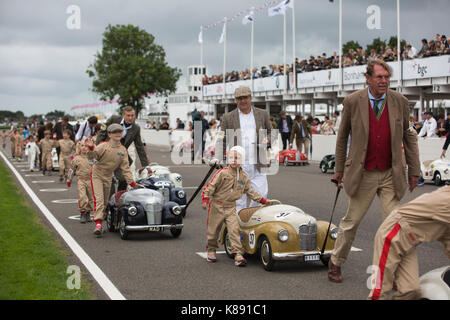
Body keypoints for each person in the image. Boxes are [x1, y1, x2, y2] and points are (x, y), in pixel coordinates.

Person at [328, 59, 420, 283]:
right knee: (352, 221)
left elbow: (409, 136)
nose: (384, 81)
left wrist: (414, 170)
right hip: (363, 173)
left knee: (394, 224)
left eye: (387, 77)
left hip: (391, 172)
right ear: (367, 78)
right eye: (379, 77)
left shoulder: (400, 101)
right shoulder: (352, 101)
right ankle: (336, 262)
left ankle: (397, 271)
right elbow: (342, 139)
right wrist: (339, 170)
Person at [368, 186, 450, 300]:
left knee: (411, 290)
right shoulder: (446, 201)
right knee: (379, 292)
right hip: (392, 235)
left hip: (408, 241)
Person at [202, 146, 270, 266]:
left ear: (242, 160)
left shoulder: (243, 177)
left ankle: (238, 253)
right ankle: (211, 249)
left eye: (237, 158)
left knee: (234, 230)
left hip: (231, 207)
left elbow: (250, 191)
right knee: (213, 230)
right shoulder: (222, 173)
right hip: (217, 206)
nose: (233, 160)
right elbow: (211, 186)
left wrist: (263, 200)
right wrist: (206, 199)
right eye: (231, 157)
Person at [214, 86, 273, 212]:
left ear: (250, 98)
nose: (243, 101)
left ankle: (250, 221)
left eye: (245, 97)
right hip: (238, 165)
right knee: (237, 200)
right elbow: (221, 139)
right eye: (239, 98)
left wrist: (267, 139)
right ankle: (236, 228)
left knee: (261, 196)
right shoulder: (227, 117)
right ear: (236, 100)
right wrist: (217, 157)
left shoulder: (262, 114)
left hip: (258, 163)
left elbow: (272, 132)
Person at [87, 124, 142, 237]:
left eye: (120, 132)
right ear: (109, 134)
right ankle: (98, 224)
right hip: (97, 174)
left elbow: (125, 169)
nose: (118, 134)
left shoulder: (122, 150)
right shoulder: (103, 146)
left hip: (108, 176)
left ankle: (106, 219)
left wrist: (132, 183)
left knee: (106, 201)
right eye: (115, 132)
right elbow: (92, 157)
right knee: (99, 199)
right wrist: (91, 148)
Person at [96, 106, 150, 193]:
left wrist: (146, 165)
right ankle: (109, 201)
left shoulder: (136, 128)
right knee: (108, 180)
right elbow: (101, 134)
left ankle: (119, 197)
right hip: (107, 154)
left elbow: (139, 146)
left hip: (121, 156)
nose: (130, 118)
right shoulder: (113, 119)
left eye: (133, 115)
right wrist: (98, 151)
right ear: (123, 115)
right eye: (128, 115)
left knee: (124, 179)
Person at [67, 138, 94, 224]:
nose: (84, 148)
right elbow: (71, 170)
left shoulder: (92, 157)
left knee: (90, 198)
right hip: (81, 180)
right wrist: (69, 180)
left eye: (86, 146)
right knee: (83, 197)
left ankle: (88, 213)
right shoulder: (76, 158)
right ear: (79, 147)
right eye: (82, 146)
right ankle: (82, 212)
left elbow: (99, 168)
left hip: (91, 180)